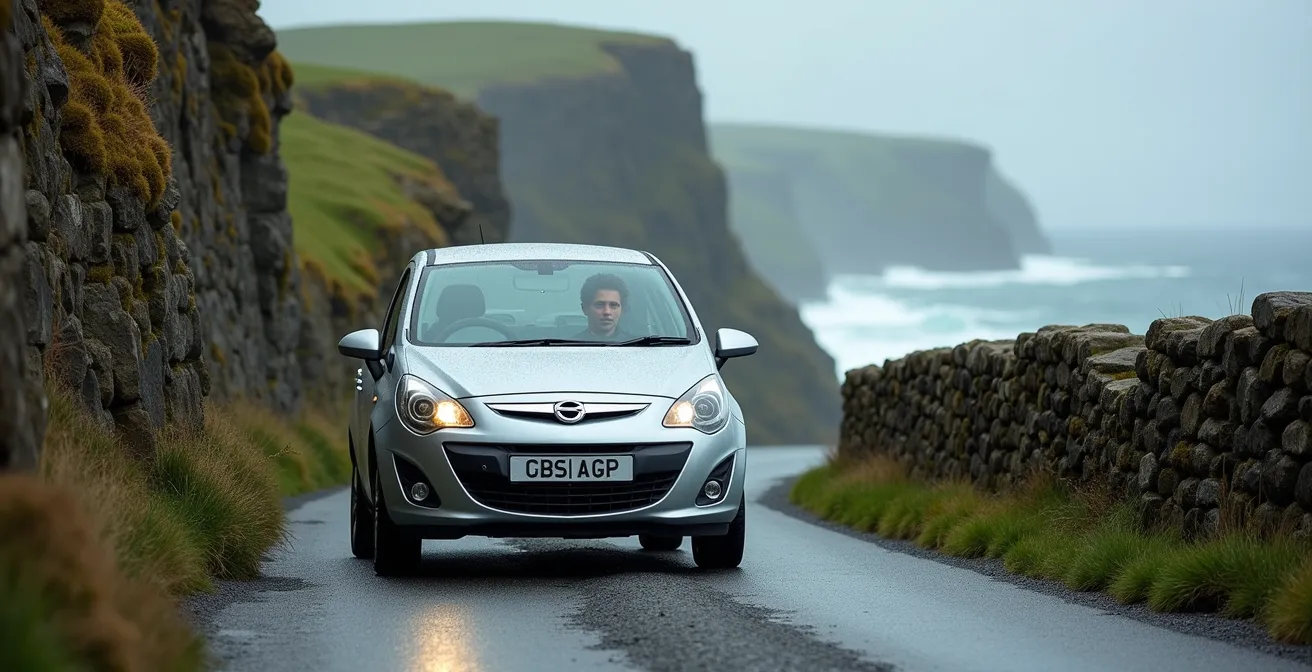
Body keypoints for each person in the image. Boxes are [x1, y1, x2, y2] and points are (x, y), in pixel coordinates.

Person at [574, 273, 635, 341]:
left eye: (613, 305)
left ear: (622, 309)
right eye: (599, 305)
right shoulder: (570, 347)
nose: (607, 312)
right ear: (585, 308)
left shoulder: (637, 346)